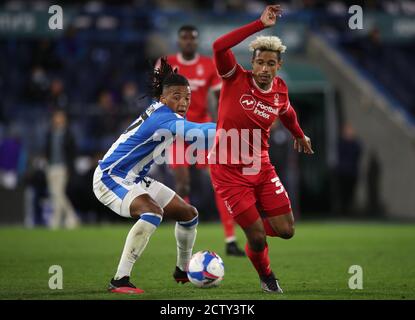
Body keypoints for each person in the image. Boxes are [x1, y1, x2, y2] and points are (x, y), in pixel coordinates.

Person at [209, 4, 314, 293]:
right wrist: (259, 24)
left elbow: (288, 113)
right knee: (257, 239)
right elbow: (218, 46)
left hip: (262, 167)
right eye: (259, 63)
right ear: (252, 62)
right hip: (228, 172)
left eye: (270, 64)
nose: (264, 69)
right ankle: (267, 277)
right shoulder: (234, 77)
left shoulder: (280, 89)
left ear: (278, 66)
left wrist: (299, 134)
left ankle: (251, 231)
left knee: (287, 231)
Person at [92, 58, 216, 294]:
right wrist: (233, 125)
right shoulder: (163, 117)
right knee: (152, 212)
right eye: (177, 97)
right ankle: (120, 280)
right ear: (164, 98)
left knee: (188, 214)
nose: (183, 102)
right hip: (110, 177)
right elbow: (198, 133)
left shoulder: (162, 112)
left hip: (135, 178)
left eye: (187, 98)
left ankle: (182, 270)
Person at [167, 25, 245, 256]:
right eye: (184, 38)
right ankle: (185, 244)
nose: (189, 42)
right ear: (179, 41)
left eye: (192, 38)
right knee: (183, 186)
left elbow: (219, 98)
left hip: (202, 131)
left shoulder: (208, 64)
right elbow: (159, 99)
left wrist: (225, 124)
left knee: (220, 184)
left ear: (197, 41)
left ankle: (230, 240)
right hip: (176, 132)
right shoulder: (167, 63)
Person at [45, 110, 80, 229]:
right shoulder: (50, 133)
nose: (58, 119)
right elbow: (47, 149)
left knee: (58, 193)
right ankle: (59, 220)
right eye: (56, 117)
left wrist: (69, 168)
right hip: (51, 166)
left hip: (62, 167)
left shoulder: (68, 134)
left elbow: (72, 153)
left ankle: (71, 217)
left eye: (60, 117)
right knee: (55, 195)